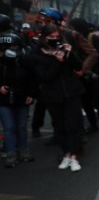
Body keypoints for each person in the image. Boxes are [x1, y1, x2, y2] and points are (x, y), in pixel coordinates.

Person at [23, 23, 86, 171]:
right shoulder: (37, 55)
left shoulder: (64, 48)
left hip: (71, 92)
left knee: (74, 125)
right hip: (52, 95)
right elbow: (45, 76)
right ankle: (66, 153)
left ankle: (74, 156)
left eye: (57, 37)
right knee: (60, 126)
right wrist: (57, 62)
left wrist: (70, 55)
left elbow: (78, 66)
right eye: (51, 37)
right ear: (44, 38)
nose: (54, 39)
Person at [0, 19, 36, 167]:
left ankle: (24, 151)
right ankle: (11, 154)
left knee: (21, 126)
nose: (9, 49)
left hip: (22, 97)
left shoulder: (25, 60)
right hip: (3, 99)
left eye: (12, 46)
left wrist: (31, 94)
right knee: (9, 127)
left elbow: (33, 78)